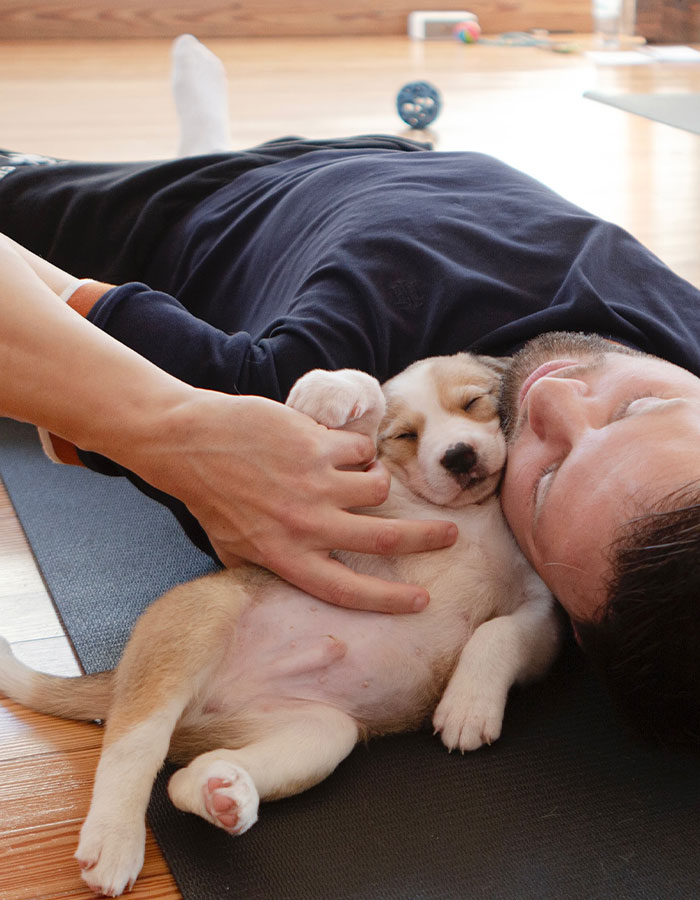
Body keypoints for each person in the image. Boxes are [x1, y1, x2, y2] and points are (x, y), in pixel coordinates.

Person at [1, 35, 699, 746]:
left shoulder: (291, 410)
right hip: (414, 155)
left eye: (548, 479)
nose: (550, 400)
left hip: (209, 211)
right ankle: (201, 141)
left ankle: (197, 150)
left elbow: (41, 319)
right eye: (642, 407)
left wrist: (165, 426)